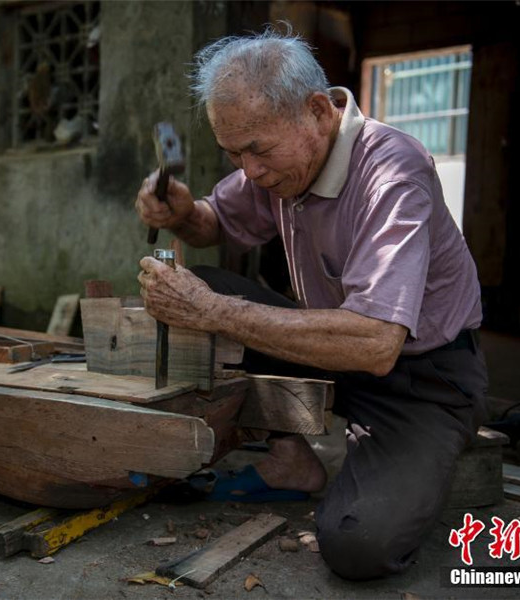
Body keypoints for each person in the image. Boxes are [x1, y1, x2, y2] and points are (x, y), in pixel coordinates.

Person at [135, 28, 488, 581]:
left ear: (318, 113)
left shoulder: (393, 174)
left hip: (422, 378)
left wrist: (212, 311)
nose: (248, 170)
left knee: (358, 544)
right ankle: (291, 460)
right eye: (232, 153)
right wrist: (181, 213)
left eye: (256, 150)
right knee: (197, 281)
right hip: (332, 350)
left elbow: (375, 343)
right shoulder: (280, 161)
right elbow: (214, 223)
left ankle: (391, 455)